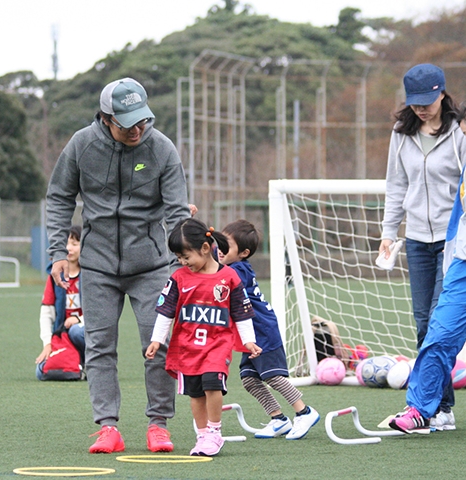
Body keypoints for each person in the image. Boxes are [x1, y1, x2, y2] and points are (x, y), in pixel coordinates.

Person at [45, 77, 191, 453]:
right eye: (128, 124)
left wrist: (184, 263)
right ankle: (107, 427)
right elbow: (59, 196)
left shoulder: (162, 149)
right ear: (106, 118)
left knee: (157, 343)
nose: (137, 129)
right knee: (99, 345)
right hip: (97, 265)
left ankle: (158, 425)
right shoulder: (81, 145)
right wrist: (58, 254)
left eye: (142, 120)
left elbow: (177, 211)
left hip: (153, 266)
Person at [388, 100, 466, 441]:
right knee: (437, 338)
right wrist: (452, 261)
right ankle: (419, 411)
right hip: (464, 267)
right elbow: (459, 220)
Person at [379, 64, 466, 431]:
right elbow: (395, 185)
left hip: (456, 242)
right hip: (417, 239)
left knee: (440, 321)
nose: (421, 109)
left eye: (428, 101)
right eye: (415, 102)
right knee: (423, 324)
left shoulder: (459, 131)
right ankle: (441, 407)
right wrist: (389, 232)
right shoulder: (401, 132)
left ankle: (430, 405)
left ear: (442, 93)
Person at [146, 218, 261, 456]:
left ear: (206, 248)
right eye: (179, 257)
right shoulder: (178, 278)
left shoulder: (229, 277)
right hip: (187, 348)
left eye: (186, 256)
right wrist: (157, 339)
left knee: (212, 384)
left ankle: (215, 432)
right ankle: (202, 436)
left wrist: (249, 340)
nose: (182, 262)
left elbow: (241, 313)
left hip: (217, 346)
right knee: (195, 393)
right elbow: (166, 311)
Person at [218, 219, 320, 440]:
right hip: (248, 335)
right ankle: (278, 419)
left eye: (227, 245)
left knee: (273, 376)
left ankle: (305, 412)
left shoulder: (238, 270)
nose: (220, 249)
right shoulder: (229, 268)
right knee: (249, 379)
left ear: (244, 252)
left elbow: (224, 283)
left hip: (262, 329)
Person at [35, 225, 86, 381]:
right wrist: (48, 344)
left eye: (74, 244)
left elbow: (101, 310)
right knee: (40, 371)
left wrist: (78, 320)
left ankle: (91, 363)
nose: (69, 248)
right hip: (61, 334)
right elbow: (46, 313)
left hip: (84, 332)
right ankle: (78, 366)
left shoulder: (90, 275)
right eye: (66, 244)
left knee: (76, 331)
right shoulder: (54, 276)